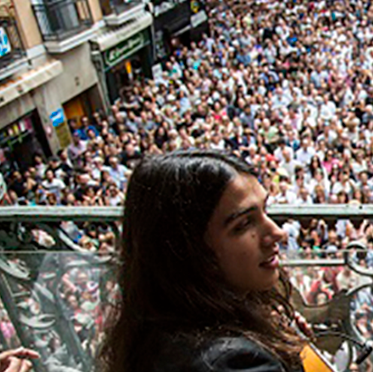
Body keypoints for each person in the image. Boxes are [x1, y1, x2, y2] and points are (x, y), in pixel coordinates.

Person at [98, 149, 307, 372]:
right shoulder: (235, 363)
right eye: (243, 224)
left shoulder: (153, 331)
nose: (277, 233)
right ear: (187, 250)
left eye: (266, 210)